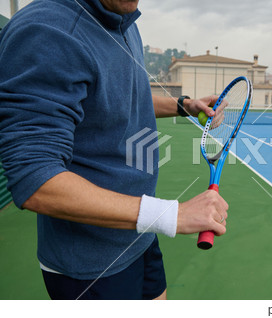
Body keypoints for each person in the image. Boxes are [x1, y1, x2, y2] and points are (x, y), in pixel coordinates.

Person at [0, 0, 229, 300]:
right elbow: (35, 180)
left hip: (139, 236)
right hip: (90, 267)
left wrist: (183, 105)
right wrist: (171, 215)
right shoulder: (46, 30)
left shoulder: (124, 23)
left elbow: (127, 90)